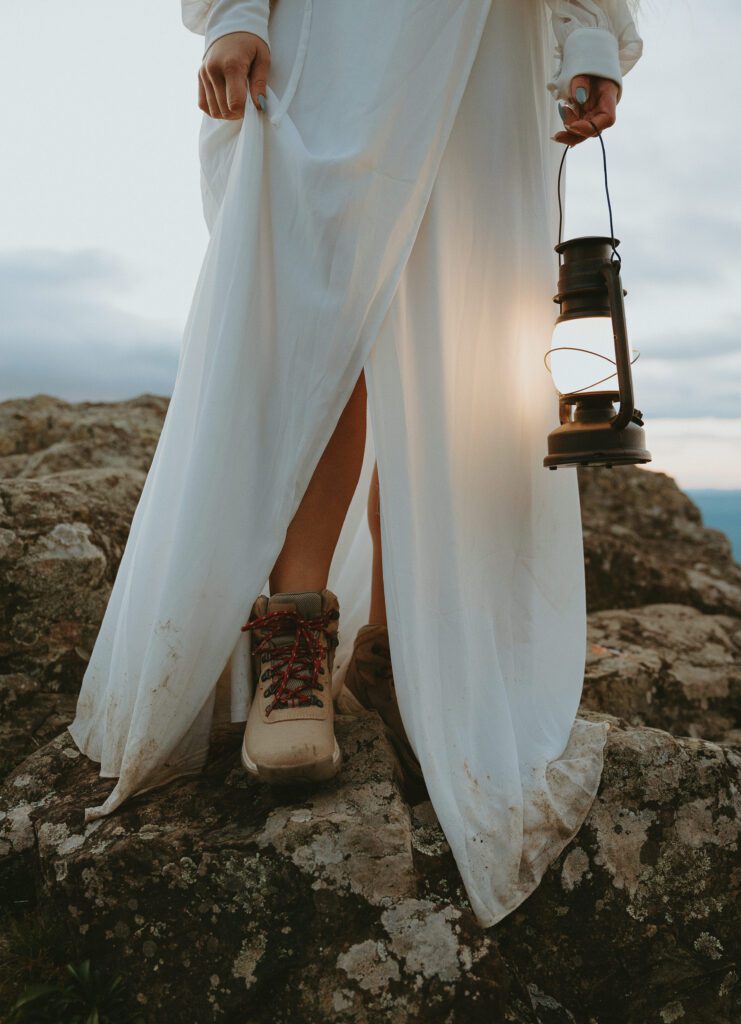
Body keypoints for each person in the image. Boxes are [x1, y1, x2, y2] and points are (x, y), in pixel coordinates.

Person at [68, 0, 644, 928]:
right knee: (317, 305)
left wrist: (585, 29)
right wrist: (233, 12)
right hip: (335, 28)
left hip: (490, 35)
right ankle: (293, 630)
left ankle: (394, 641)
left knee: (457, 324)